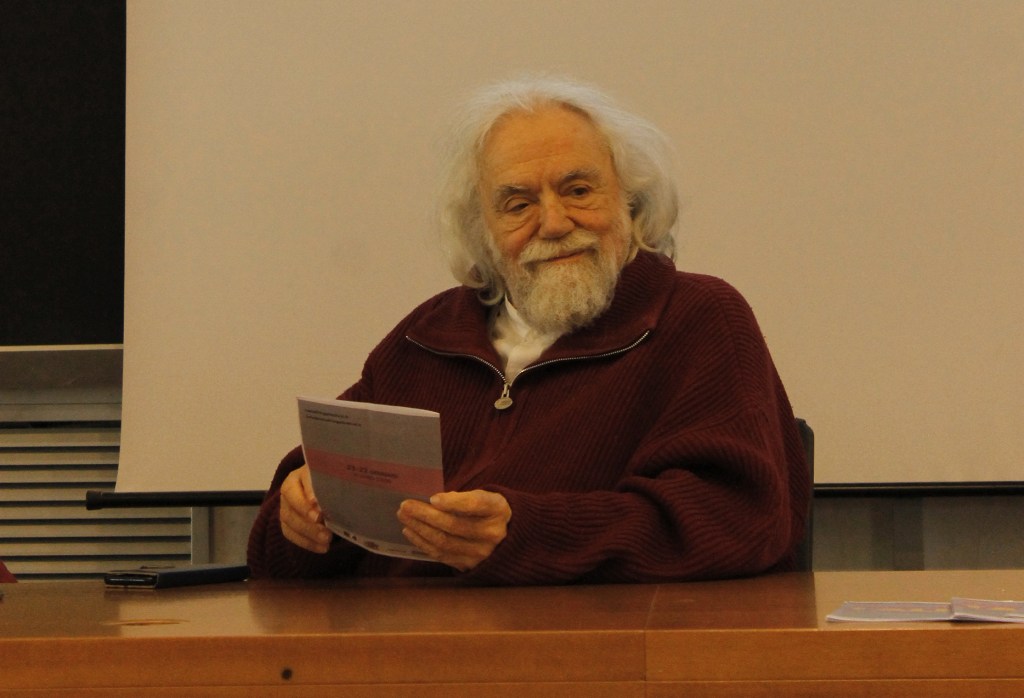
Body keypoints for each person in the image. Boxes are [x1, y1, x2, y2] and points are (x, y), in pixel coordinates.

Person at [247, 76, 810, 584]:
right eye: (518, 204)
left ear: (631, 201)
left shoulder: (698, 317)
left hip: (597, 650)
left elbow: (742, 522)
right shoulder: (426, 338)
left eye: (579, 191)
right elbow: (275, 556)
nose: (555, 223)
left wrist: (526, 534)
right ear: (481, 229)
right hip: (398, 648)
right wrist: (299, 521)